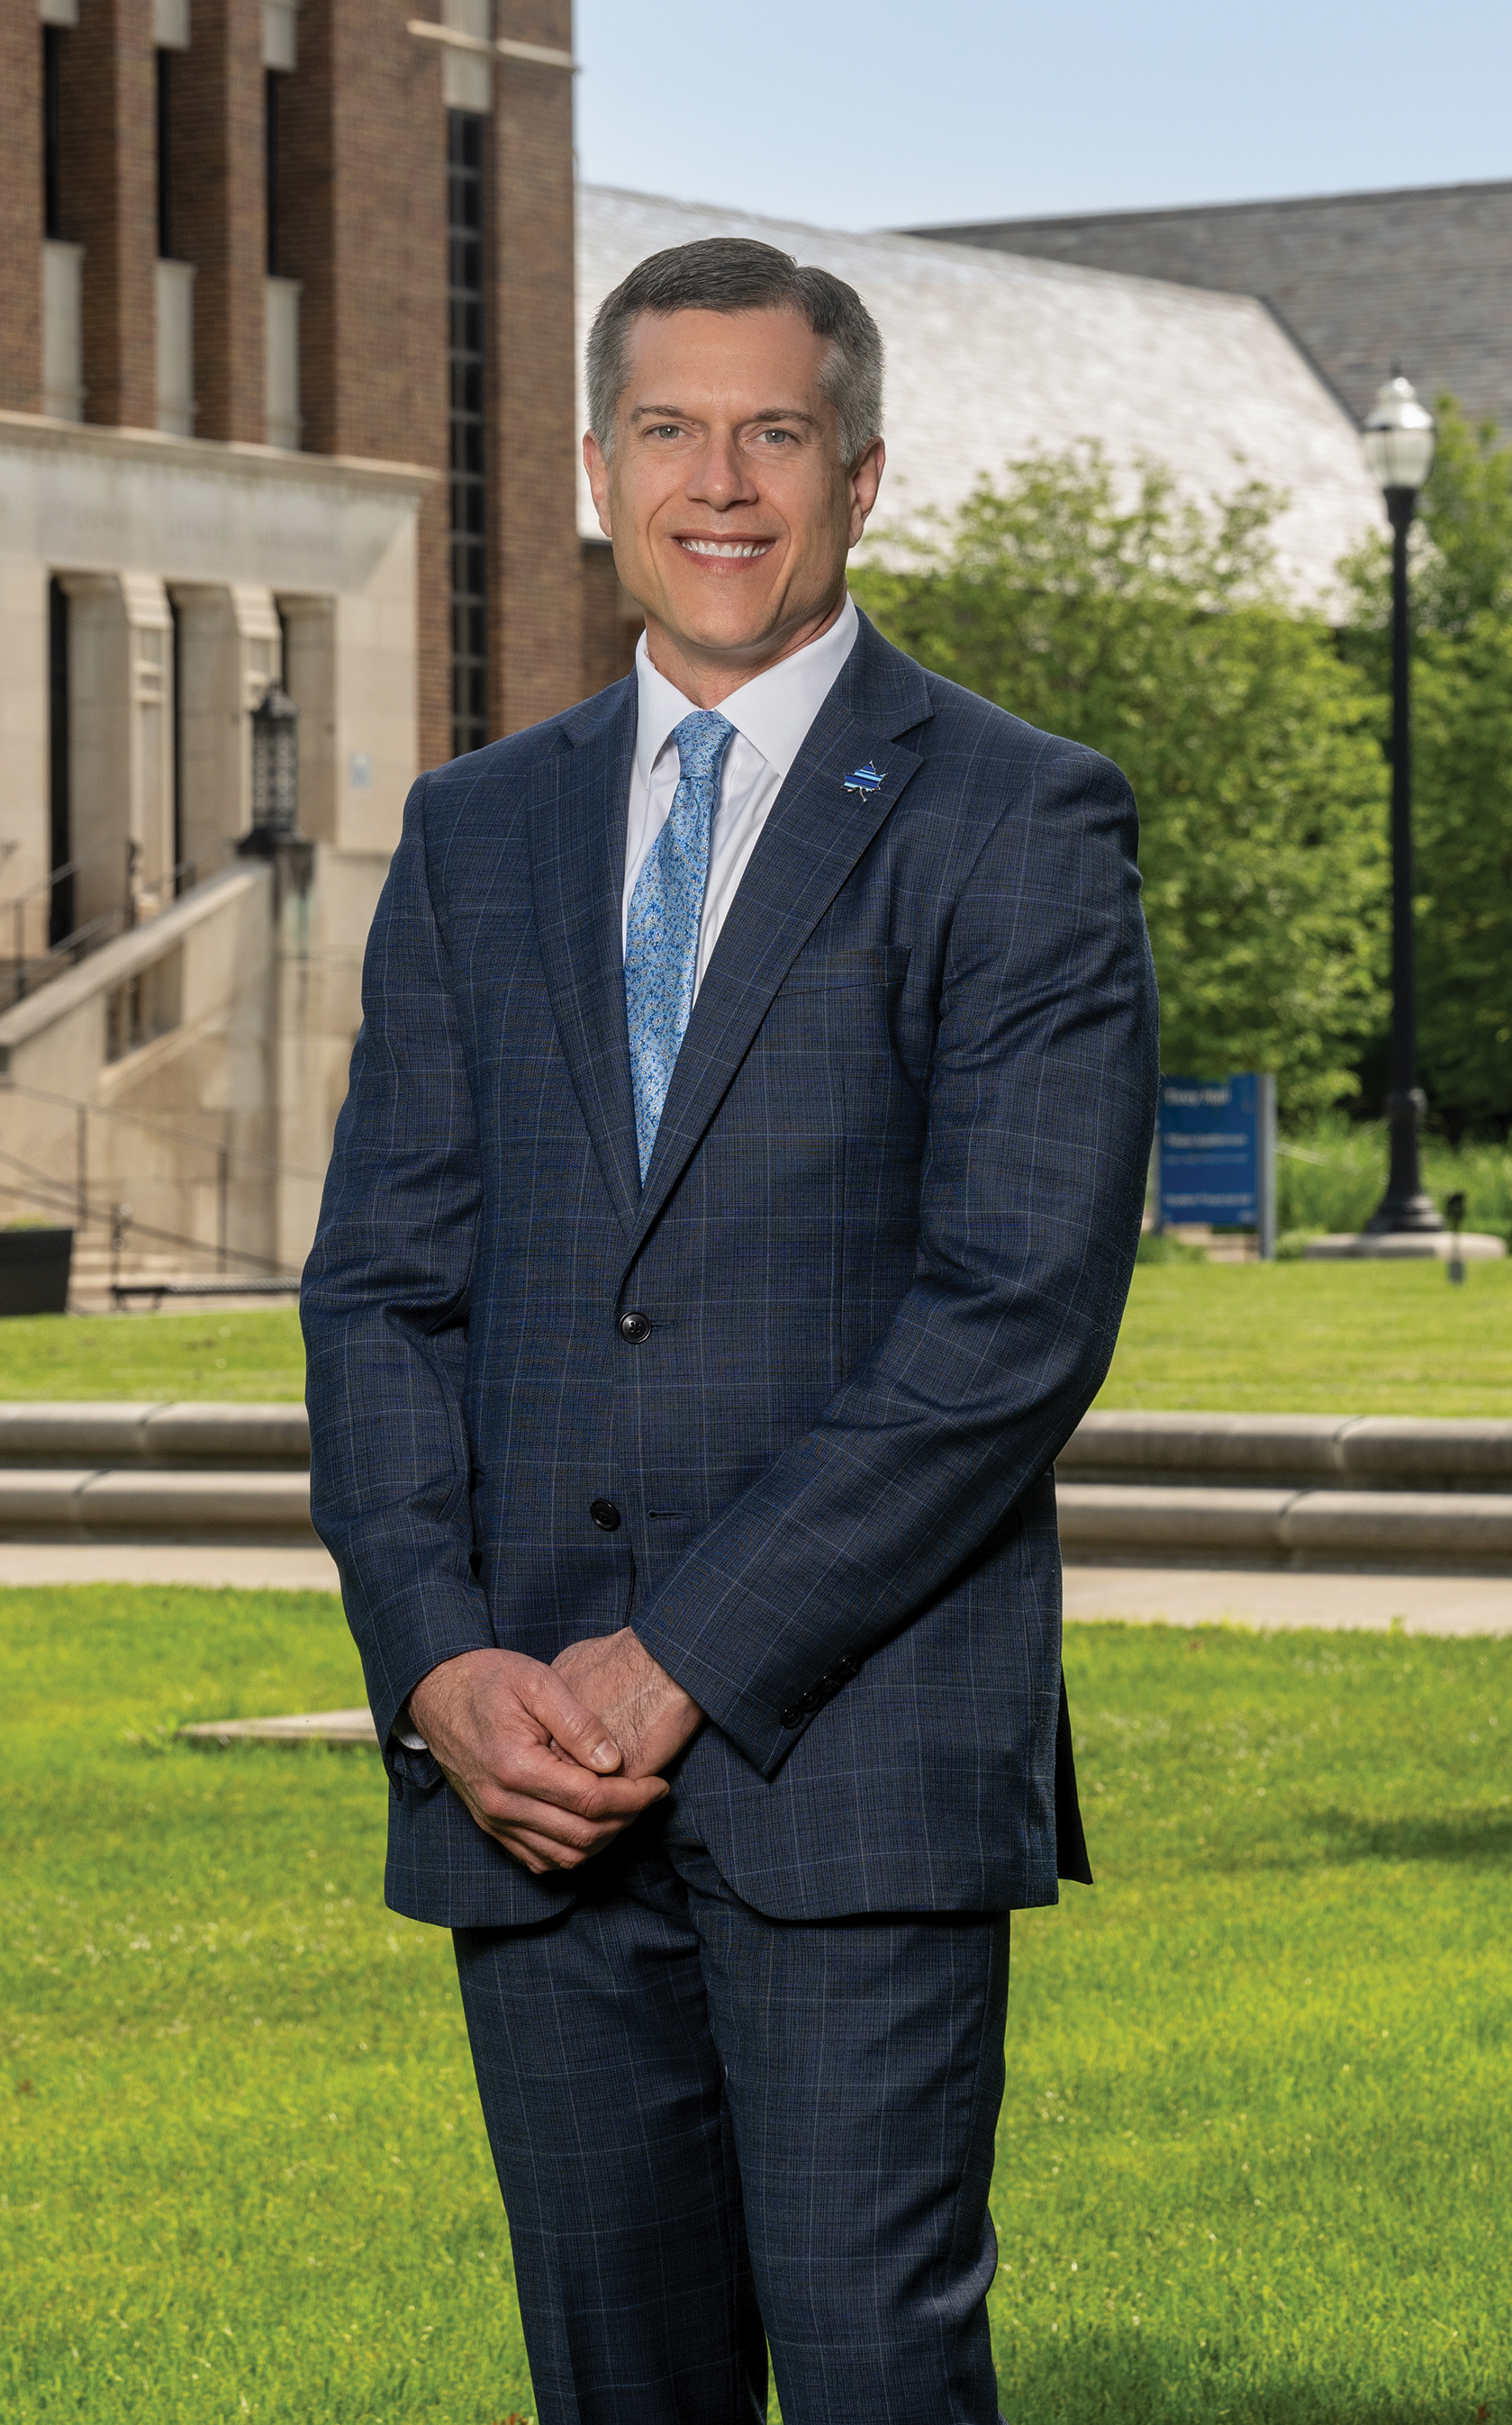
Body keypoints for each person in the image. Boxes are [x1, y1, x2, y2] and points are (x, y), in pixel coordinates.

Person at [302, 234, 1159, 2421]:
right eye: (669, 431)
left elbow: (1013, 1316)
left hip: (847, 1759)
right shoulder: (476, 833)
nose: (721, 482)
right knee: (615, 2387)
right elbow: (384, 1289)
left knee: (880, 2370)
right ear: (595, 472)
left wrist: (676, 1656)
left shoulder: (1016, 813)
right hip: (526, 1793)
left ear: (861, 474)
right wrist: (439, 1661)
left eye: (772, 432)